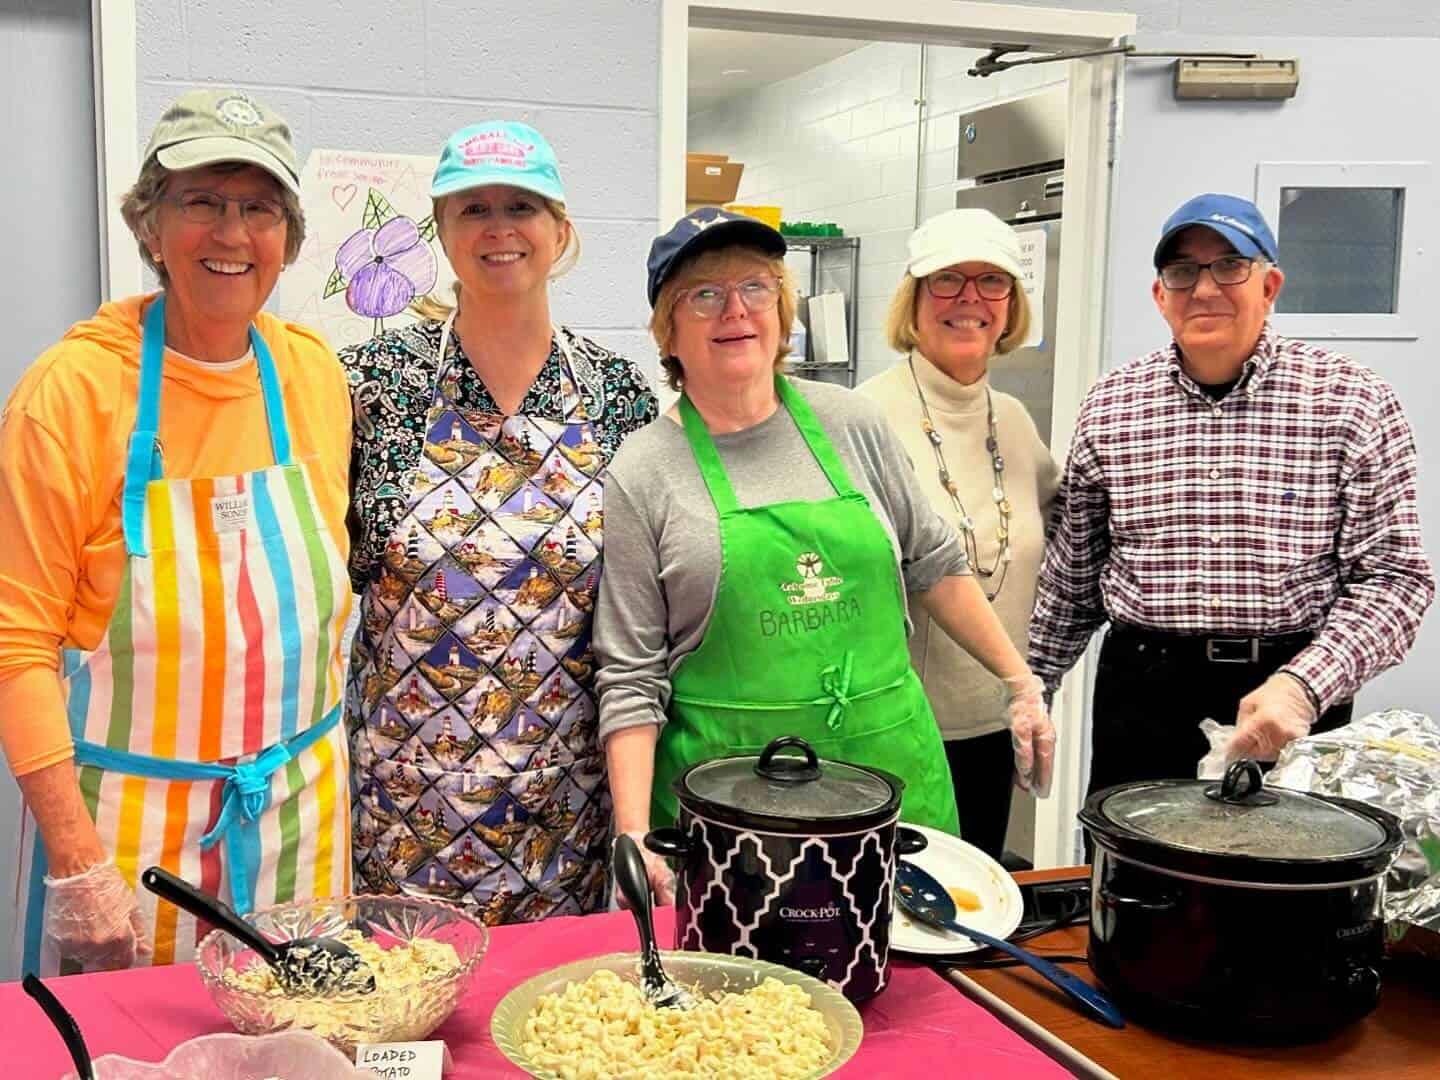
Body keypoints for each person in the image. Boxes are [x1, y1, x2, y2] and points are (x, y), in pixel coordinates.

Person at [595, 209, 1052, 900]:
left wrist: (1020, 684)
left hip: (888, 783)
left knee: (919, 991)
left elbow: (935, 562)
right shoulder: (645, 469)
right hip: (732, 811)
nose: (736, 311)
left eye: (755, 287)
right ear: (669, 328)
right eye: (705, 294)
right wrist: (632, 834)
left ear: (781, 309)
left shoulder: (852, 424)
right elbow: (631, 674)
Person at [1, 89, 354, 975]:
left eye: (259, 208)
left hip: (299, 826)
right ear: (151, 227)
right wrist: (79, 866)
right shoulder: (74, 391)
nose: (232, 234)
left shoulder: (312, 375)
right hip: (127, 845)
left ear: (288, 239)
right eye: (201, 202)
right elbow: (16, 645)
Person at [341, 122, 658, 925]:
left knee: (553, 1029)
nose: (498, 227)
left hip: (567, 806)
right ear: (441, 231)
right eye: (472, 207)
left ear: (560, 228)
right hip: (406, 803)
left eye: (521, 205)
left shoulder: (617, 393)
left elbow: (643, 606)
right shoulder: (374, 384)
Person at [1029, 193, 1434, 797]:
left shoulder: (1351, 401)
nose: (1205, 288)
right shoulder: (1111, 405)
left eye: (1229, 266)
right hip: (1143, 693)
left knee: (1281, 885)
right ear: (1160, 295)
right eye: (1183, 271)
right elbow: (1073, 578)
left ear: (1270, 286)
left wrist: (1305, 684)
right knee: (1135, 882)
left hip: (1289, 695)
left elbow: (1396, 580)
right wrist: (1032, 687)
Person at [859, 209, 1060, 861]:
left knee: (975, 921)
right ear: (913, 300)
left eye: (991, 282)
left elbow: (1063, 543)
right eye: (947, 280)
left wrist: (1034, 685)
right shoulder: (864, 417)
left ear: (1011, 306)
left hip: (995, 728)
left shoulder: (1015, 421)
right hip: (897, 734)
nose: (970, 299)